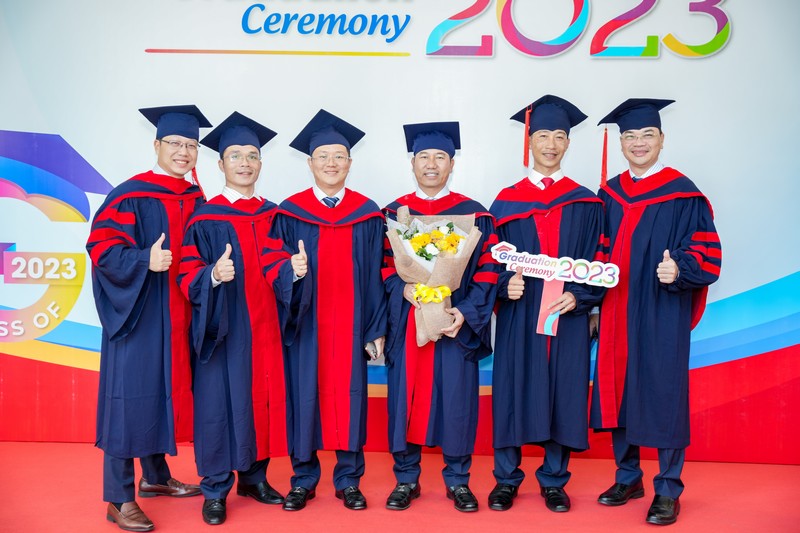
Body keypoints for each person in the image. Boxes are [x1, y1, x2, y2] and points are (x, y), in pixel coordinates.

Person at [590, 99, 722, 526]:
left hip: (662, 309)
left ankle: (668, 488)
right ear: (621, 143)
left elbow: (706, 251)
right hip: (615, 308)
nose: (638, 143)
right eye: (630, 136)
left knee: (663, 392)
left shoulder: (684, 194)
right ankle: (628, 477)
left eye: (647, 135)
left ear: (662, 139)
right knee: (618, 388)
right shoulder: (608, 193)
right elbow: (596, 251)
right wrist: (590, 301)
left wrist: (680, 268)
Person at [177, 112, 306, 525]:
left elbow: (282, 263)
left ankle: (254, 478)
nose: (245, 163)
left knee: (261, 399)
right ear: (220, 164)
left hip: (267, 329)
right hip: (224, 330)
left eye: (252, 155)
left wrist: (293, 272)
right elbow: (185, 272)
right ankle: (215, 488)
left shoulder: (275, 215)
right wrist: (212, 275)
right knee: (218, 405)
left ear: (261, 163)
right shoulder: (205, 218)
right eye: (235, 156)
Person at [86, 105, 211, 531]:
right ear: (156, 145)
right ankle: (118, 498)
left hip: (179, 317)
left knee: (160, 396)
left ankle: (155, 477)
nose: (183, 152)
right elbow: (102, 248)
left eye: (191, 145)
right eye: (175, 143)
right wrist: (144, 260)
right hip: (138, 317)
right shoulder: (129, 195)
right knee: (127, 402)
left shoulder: (196, 198)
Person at [488, 95, 606, 514]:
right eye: (543, 136)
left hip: (567, 313)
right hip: (520, 314)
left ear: (568, 143)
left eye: (559, 136)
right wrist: (504, 285)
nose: (551, 144)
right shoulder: (506, 201)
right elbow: (487, 260)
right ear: (529, 141)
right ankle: (506, 479)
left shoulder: (587, 202)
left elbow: (601, 257)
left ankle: (554, 481)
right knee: (512, 389)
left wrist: (583, 296)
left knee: (563, 391)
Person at [269, 109, 387, 512]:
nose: (331, 163)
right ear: (310, 162)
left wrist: (375, 328)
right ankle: (303, 480)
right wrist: (290, 270)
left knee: (350, 398)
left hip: (352, 325)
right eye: (323, 156)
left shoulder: (368, 213)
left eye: (339, 156)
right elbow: (273, 265)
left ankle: (349, 480)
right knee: (304, 395)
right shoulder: (290, 212)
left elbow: (377, 273)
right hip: (305, 324)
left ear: (350, 162)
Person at [382, 122, 499, 512]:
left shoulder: (475, 213)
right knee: (405, 398)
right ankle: (406, 479)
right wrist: (403, 289)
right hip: (409, 321)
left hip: (453, 322)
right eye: (423, 157)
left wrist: (465, 312)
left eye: (440, 157)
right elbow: (381, 266)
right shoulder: (392, 214)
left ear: (452, 164)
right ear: (412, 163)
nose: (431, 164)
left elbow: (488, 269)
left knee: (457, 399)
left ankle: (458, 480)